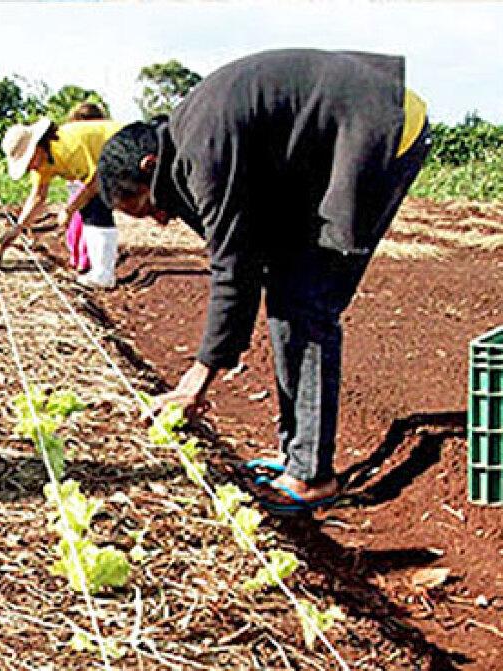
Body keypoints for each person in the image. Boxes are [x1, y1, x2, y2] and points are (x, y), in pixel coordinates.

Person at [94, 49, 431, 514]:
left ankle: (312, 476)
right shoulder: (192, 142)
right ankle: (297, 455)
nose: (160, 219)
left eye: (147, 207)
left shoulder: (203, 153)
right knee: (288, 293)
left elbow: (232, 268)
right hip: (337, 138)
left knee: (306, 304)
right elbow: (244, 256)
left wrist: (199, 376)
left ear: (150, 165)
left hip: (378, 127)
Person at [0, 115, 126, 288]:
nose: (30, 167)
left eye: (29, 160)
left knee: (95, 205)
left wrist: (69, 210)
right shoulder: (42, 161)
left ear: (38, 146)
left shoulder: (68, 148)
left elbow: (96, 181)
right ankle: (100, 272)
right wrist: (17, 229)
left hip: (125, 146)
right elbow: (38, 196)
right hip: (107, 161)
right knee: (90, 207)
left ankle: (103, 275)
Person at [62, 102, 109, 272]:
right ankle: (84, 260)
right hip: (92, 184)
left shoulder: (71, 137)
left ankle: (75, 258)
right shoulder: (101, 137)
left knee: (76, 221)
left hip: (77, 184)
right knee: (91, 224)